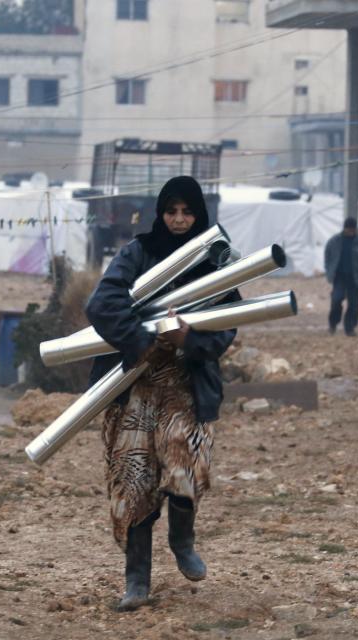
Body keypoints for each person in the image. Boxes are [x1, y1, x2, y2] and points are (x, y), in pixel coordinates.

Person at [85, 176, 240, 611]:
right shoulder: (138, 253)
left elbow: (227, 325)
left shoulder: (214, 263)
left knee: (185, 463)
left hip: (185, 384)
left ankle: (181, 540)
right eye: (171, 211)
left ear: (199, 215)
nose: (178, 219)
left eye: (187, 211)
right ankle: (137, 582)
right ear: (160, 213)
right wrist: (142, 339)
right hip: (134, 381)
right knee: (135, 480)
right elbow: (102, 303)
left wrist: (189, 339)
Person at [324, 217, 358, 336]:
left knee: (353, 305)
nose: (352, 232)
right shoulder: (335, 241)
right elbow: (328, 256)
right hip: (339, 277)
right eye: (349, 229)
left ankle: (349, 327)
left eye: (354, 229)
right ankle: (333, 323)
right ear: (345, 228)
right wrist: (329, 271)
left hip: (355, 278)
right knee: (336, 300)